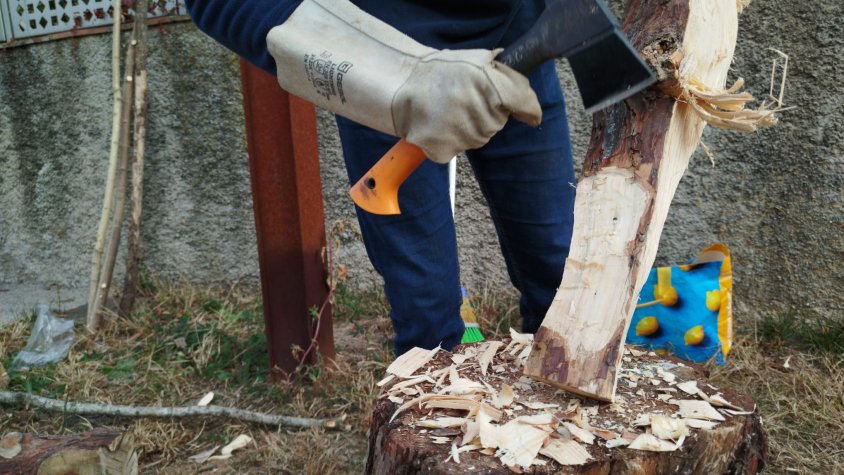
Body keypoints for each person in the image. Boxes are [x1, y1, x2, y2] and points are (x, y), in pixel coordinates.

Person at [184, 0, 576, 356]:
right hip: (381, 65)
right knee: (426, 313)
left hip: (520, 55)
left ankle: (567, 418)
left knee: (562, 274)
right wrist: (393, 77)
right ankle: (438, 424)